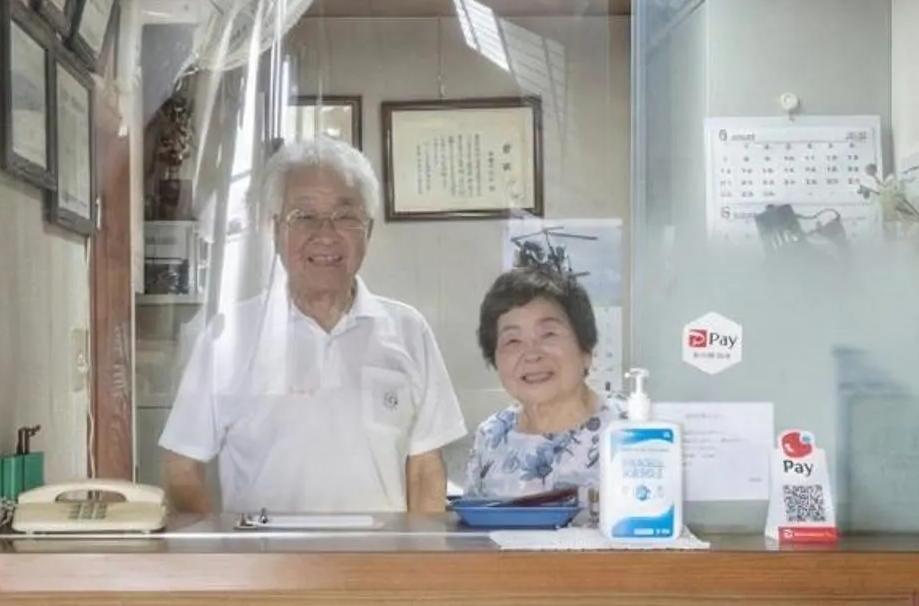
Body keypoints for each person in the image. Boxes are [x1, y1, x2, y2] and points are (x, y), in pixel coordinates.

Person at [159, 137, 465, 516]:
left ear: (367, 231)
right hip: (265, 569)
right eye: (303, 216)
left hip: (382, 569)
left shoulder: (408, 330)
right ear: (275, 230)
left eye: (344, 216)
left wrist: (420, 564)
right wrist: (224, 557)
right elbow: (181, 468)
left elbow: (425, 469)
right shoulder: (231, 334)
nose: (325, 234)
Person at [463, 264, 622, 499]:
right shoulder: (492, 436)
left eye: (548, 334)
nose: (532, 354)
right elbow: (474, 530)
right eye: (513, 341)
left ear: (585, 350)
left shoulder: (631, 431)